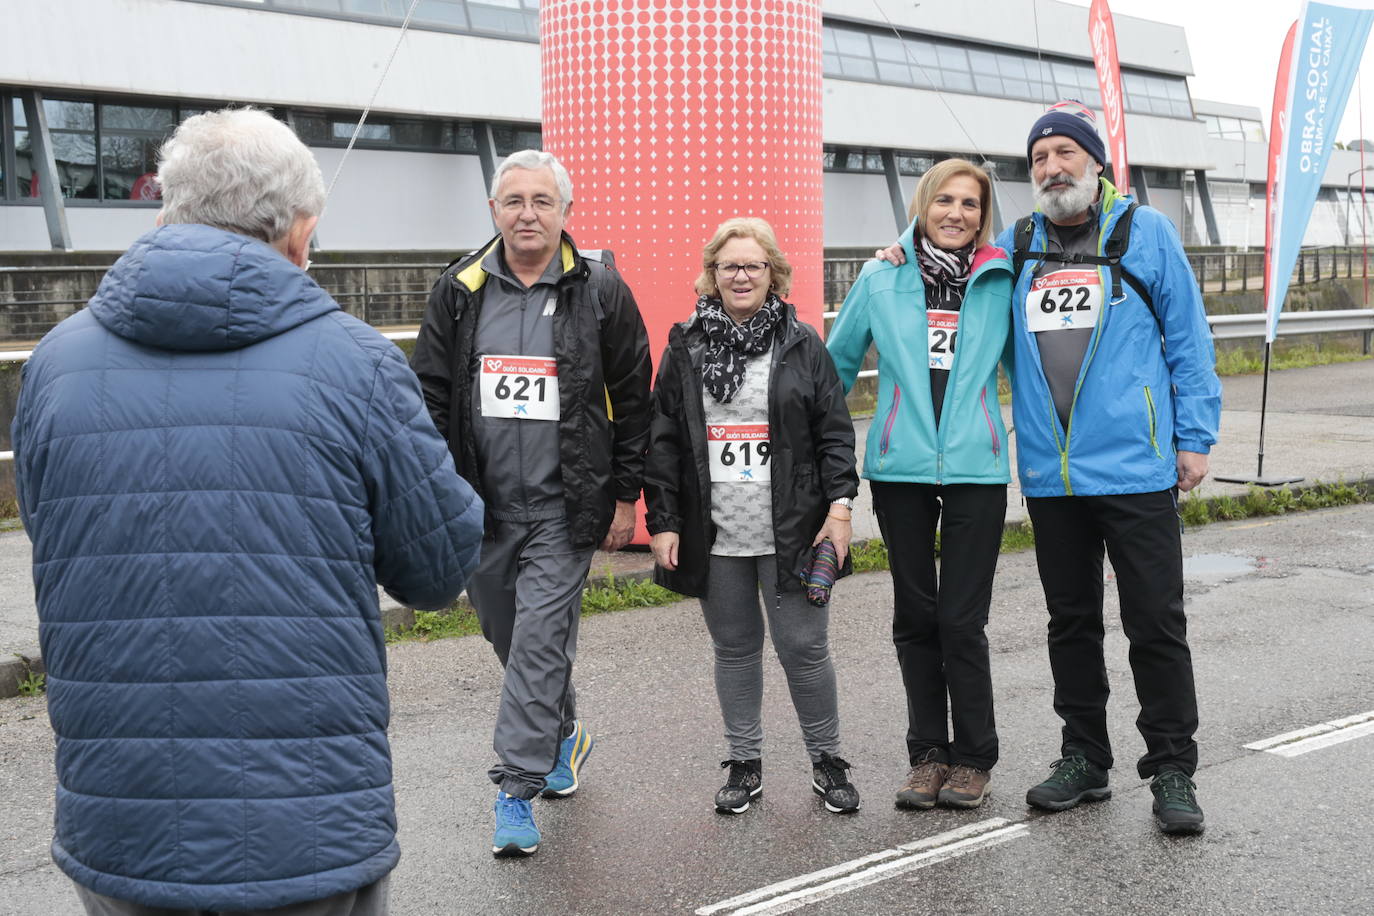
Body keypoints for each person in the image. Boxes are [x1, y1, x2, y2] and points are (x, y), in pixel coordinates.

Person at [11, 108, 485, 916]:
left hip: (120, 821)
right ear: (300, 232)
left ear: (166, 213)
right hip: (305, 822)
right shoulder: (356, 363)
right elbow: (438, 570)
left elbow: (54, 530)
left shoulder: (55, 365)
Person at [878, 101, 1221, 834]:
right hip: (1052, 474)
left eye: (1065, 152)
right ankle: (1084, 758)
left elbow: (1191, 342)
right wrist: (898, 254)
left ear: (1095, 163)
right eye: (1038, 158)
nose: (1052, 168)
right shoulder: (1019, 242)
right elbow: (953, 278)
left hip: (1135, 466)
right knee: (1070, 623)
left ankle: (1171, 769)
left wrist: (1194, 437)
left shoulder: (1145, 233)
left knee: (1155, 622)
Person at [410, 149, 652, 857]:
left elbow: (634, 399)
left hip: (565, 507)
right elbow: (429, 395)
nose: (527, 213)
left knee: (541, 642)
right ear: (493, 212)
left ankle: (516, 792)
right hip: (480, 507)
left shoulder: (600, 290)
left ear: (564, 213)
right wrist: (435, 488)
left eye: (542, 201)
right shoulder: (459, 288)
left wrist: (627, 496)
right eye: (513, 201)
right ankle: (564, 732)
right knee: (507, 635)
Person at [644, 217, 862, 816]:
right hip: (716, 530)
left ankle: (827, 760)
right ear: (712, 274)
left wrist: (839, 511)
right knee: (734, 649)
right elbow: (661, 440)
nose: (741, 275)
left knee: (804, 648)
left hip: (792, 529)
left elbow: (835, 437)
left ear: (773, 274)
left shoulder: (802, 343)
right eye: (729, 266)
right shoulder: (685, 344)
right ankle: (744, 764)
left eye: (753, 265)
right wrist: (664, 519)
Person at [829, 159, 1013, 812]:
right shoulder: (882, 277)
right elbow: (835, 368)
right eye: (945, 200)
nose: (956, 213)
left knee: (962, 619)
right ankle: (928, 755)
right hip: (900, 468)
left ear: (982, 213)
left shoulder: (1001, 279)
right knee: (915, 617)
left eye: (970, 203)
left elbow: (1035, 374)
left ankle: (974, 758)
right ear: (923, 205)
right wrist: (820, 468)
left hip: (976, 470)